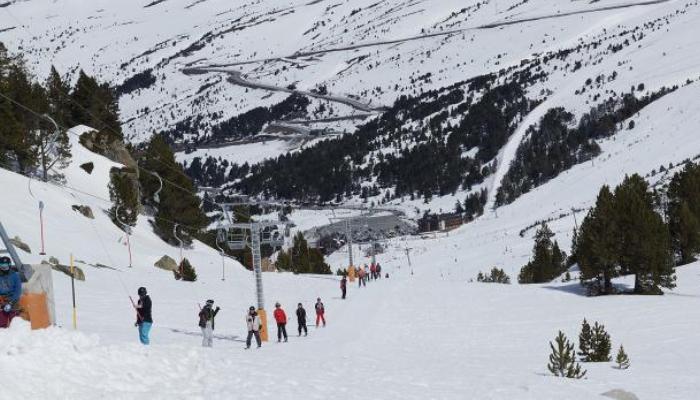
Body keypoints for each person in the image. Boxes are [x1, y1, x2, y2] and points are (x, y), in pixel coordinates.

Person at [0, 257, 21, 328]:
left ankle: (15, 330)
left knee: (14, 318)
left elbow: (18, 291)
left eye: (5, 266)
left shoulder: (15, 276)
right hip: (2, 299)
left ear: (9, 265)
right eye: (2, 266)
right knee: (2, 319)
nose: (3, 268)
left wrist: (10, 302)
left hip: (13, 299)